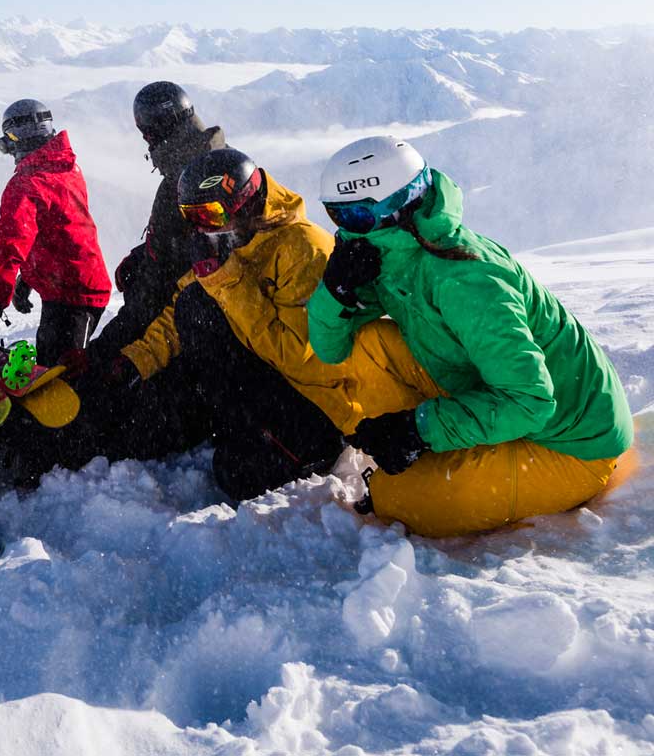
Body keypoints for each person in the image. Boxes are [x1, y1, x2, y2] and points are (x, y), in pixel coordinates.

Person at [306, 135, 635, 537]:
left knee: (398, 502)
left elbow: (530, 402)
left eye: (356, 218)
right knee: (367, 341)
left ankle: (425, 464)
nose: (346, 232)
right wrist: (335, 291)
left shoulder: (467, 280)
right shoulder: (392, 256)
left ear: (397, 208)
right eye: (336, 216)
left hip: (569, 444)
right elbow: (331, 348)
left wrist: (418, 428)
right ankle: (429, 455)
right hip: (488, 393)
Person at [113, 147, 344, 499]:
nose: (201, 227)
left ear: (245, 201)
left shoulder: (304, 250)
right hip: (248, 378)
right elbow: (180, 309)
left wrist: (228, 282)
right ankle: (223, 417)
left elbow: (300, 358)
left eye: (209, 214)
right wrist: (137, 360)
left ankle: (286, 441)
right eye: (191, 216)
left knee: (236, 475)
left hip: (310, 397)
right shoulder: (229, 239)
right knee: (142, 432)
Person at [0, 99, 111, 367]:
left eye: (7, 140)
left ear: (15, 138)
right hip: (72, 288)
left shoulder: (28, 185)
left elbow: (7, 248)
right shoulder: (64, 168)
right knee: (50, 369)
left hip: (74, 296)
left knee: (61, 383)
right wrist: (29, 278)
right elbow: (59, 233)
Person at [88, 81, 227, 362]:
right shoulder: (222, 162)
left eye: (147, 131)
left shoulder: (186, 184)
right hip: (213, 310)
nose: (145, 140)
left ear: (162, 129)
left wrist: (102, 351)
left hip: (194, 326)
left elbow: (158, 286)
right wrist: (143, 255)